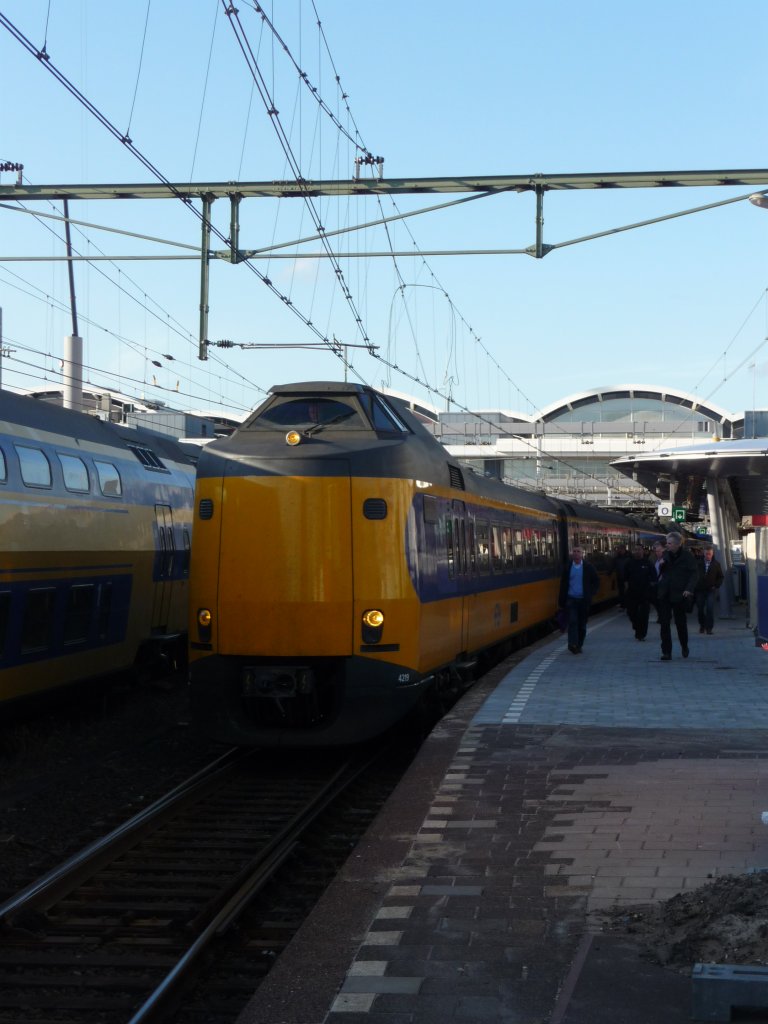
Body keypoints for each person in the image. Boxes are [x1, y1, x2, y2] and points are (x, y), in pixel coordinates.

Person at [657, 531, 698, 661]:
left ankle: (684, 645)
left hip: (680, 594)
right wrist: (661, 565)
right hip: (665, 594)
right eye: (666, 543)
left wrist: (689, 589)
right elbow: (661, 572)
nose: (667, 546)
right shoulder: (665, 555)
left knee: (680, 623)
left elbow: (694, 574)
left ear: (676, 544)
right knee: (664, 623)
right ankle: (666, 652)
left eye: (669, 543)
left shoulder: (687, 557)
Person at [559, 546, 600, 654]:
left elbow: (596, 581)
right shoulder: (568, 567)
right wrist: (561, 600)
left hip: (583, 600)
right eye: (574, 551)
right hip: (571, 598)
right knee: (572, 621)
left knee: (582, 624)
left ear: (582, 554)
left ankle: (579, 644)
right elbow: (563, 584)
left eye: (578, 552)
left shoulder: (588, 567)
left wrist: (591, 593)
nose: (576, 553)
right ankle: (572, 644)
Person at [623, 545, 653, 640]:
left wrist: (650, 589)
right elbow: (625, 578)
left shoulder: (648, 563)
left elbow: (653, 577)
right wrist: (626, 588)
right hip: (632, 593)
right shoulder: (629, 563)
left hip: (645, 593)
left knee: (644, 615)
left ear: (643, 551)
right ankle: (636, 625)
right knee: (631, 613)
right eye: (635, 550)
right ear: (632, 551)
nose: (637, 552)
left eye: (639, 550)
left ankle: (641, 634)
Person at [695, 544, 724, 635]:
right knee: (700, 609)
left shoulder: (716, 564)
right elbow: (693, 575)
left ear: (712, 554)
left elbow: (720, 577)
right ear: (703, 553)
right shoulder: (698, 563)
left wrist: (716, 585)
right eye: (706, 554)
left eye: (710, 554)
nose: (708, 556)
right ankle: (702, 625)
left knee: (710, 608)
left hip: (710, 590)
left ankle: (709, 628)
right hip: (700, 590)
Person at [649, 540, 666, 623]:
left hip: (664, 584)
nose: (657, 553)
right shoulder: (655, 560)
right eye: (656, 551)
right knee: (655, 600)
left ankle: (663, 616)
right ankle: (661, 614)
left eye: (659, 551)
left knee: (662, 601)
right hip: (656, 583)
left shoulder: (666, 560)